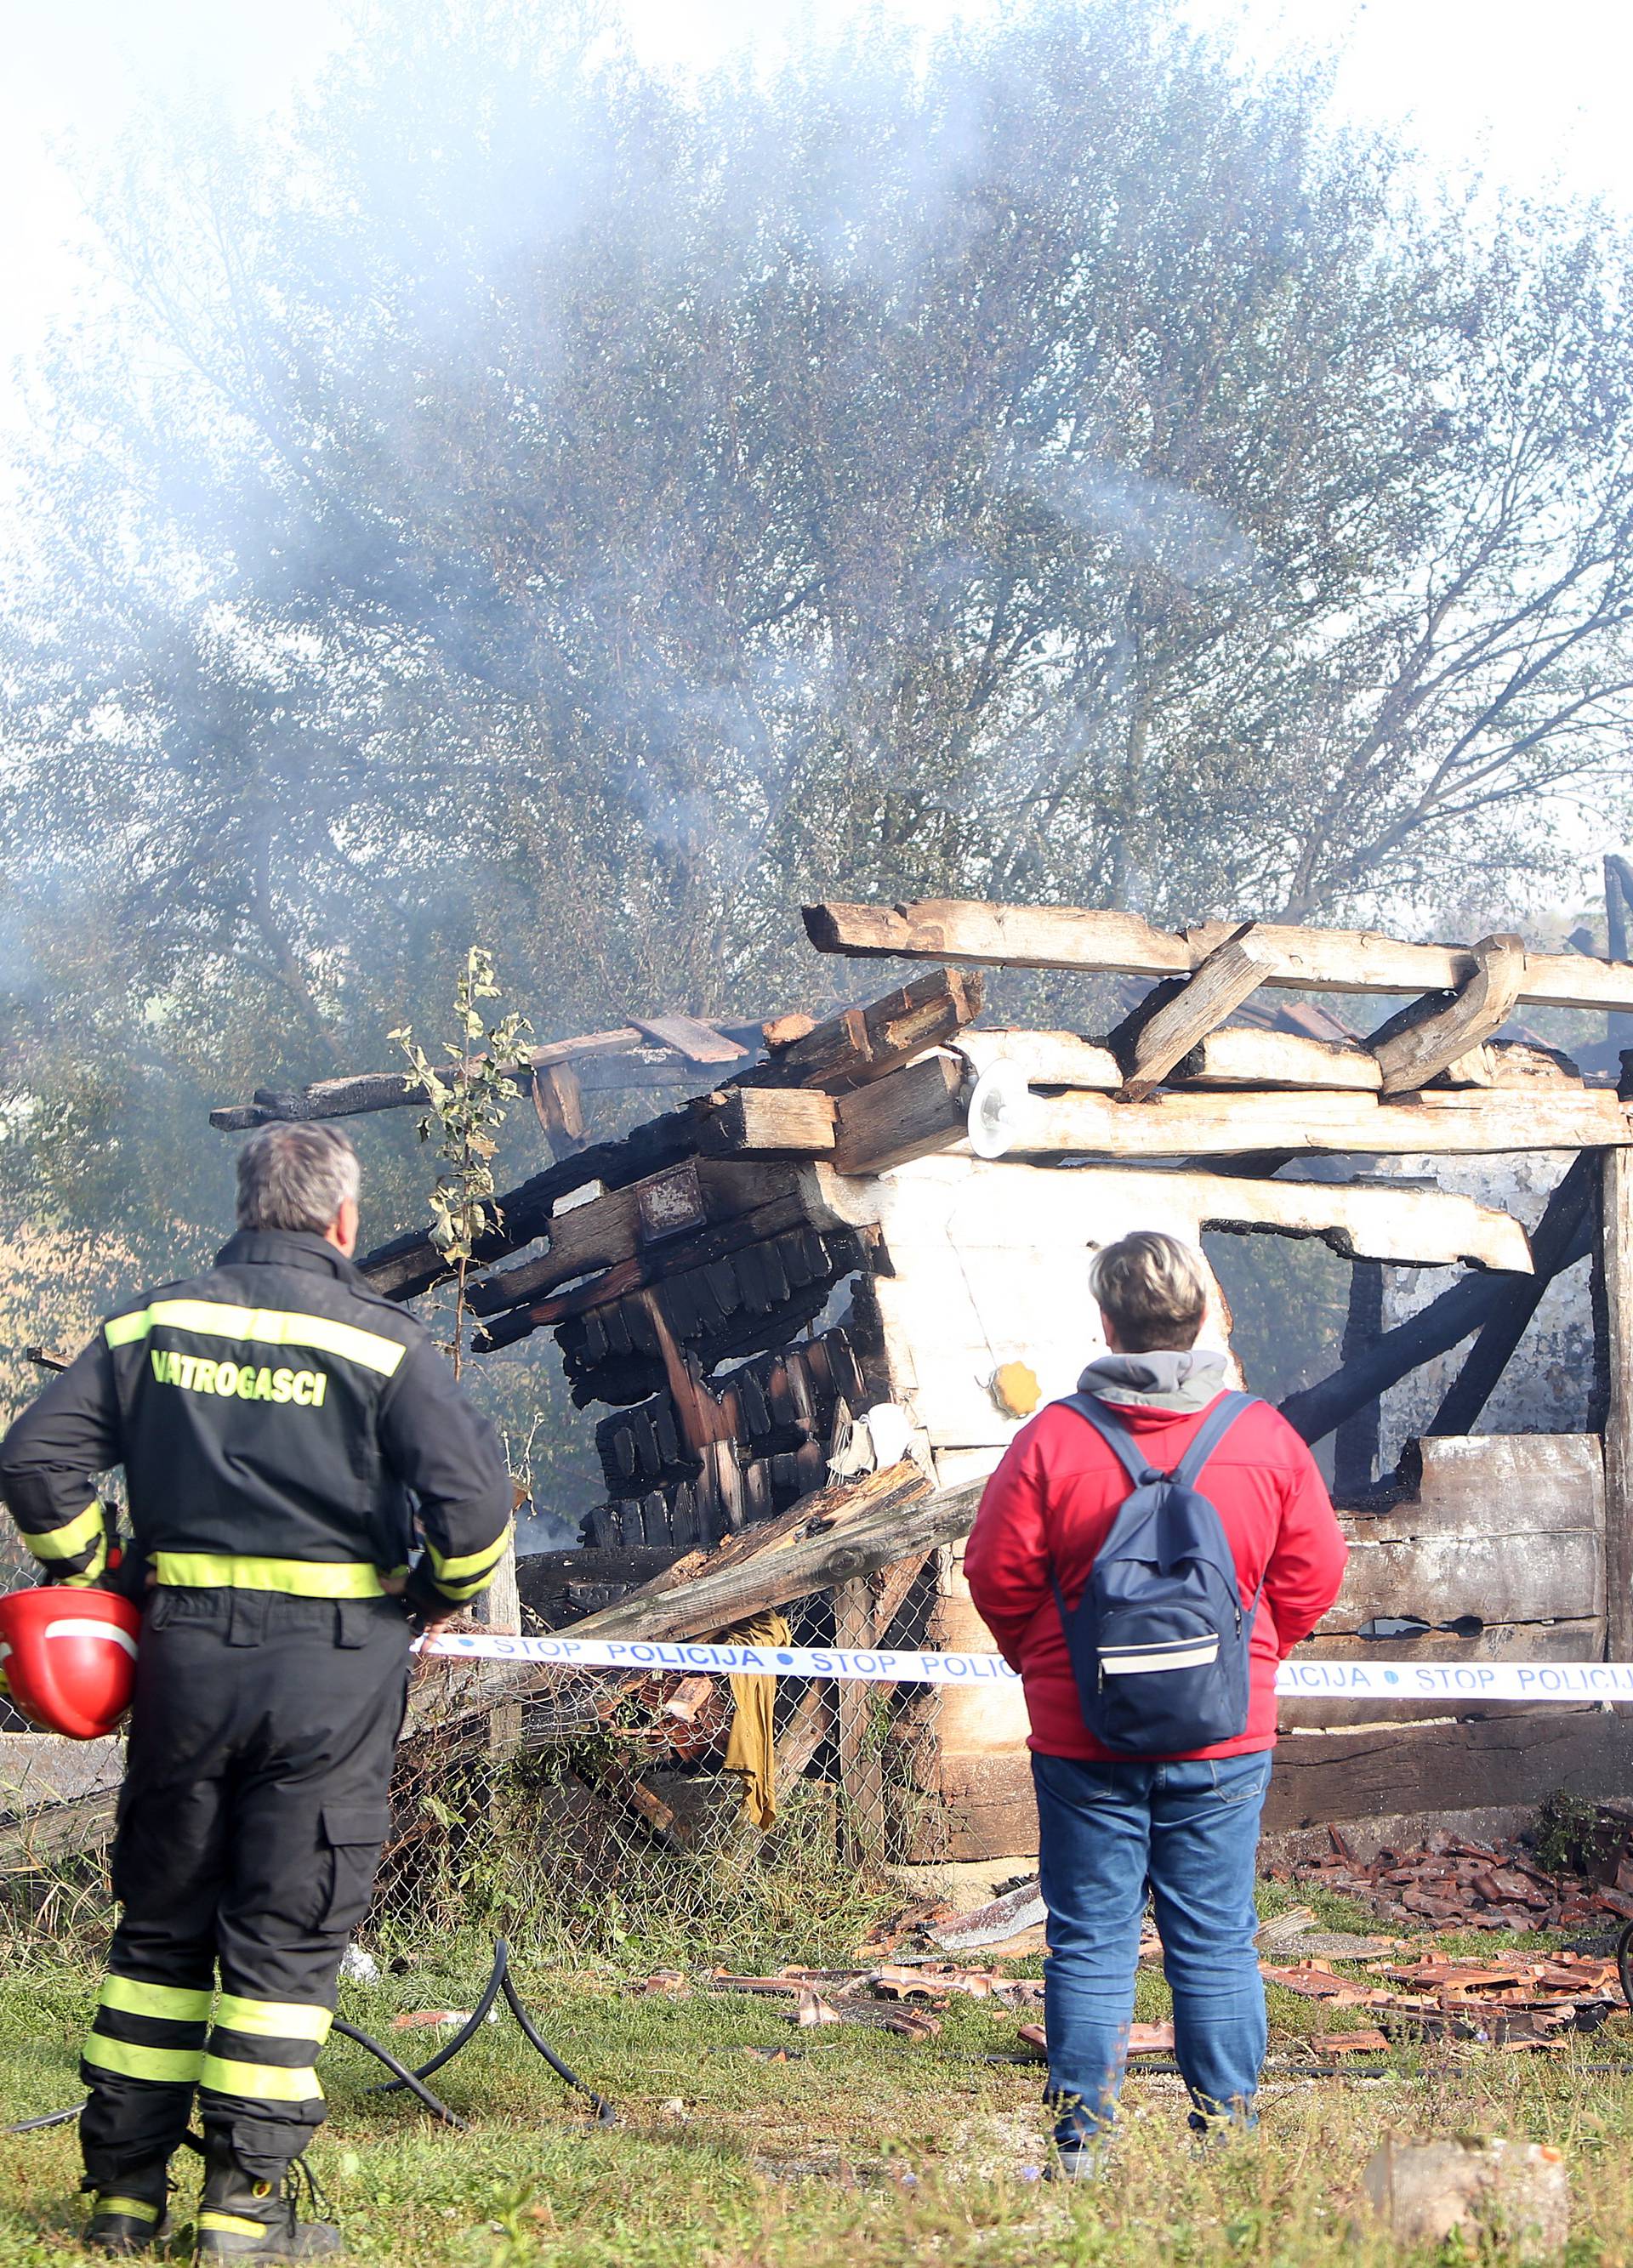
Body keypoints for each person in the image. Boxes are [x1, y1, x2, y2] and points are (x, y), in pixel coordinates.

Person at [0, 1123, 515, 2260]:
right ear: (340, 1219)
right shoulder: (386, 1345)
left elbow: (36, 1457)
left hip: (184, 1667)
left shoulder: (155, 1322)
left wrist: (91, 1576)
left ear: (246, 1206)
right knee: (283, 1940)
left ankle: (123, 2200)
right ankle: (242, 2210)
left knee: (162, 1927)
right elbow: (476, 1513)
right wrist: (433, 1593)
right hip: (332, 1677)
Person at [964, 1230, 1346, 2173]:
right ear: (1203, 1316)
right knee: (1215, 1939)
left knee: (1091, 1939)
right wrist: (1257, 1656)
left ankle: (1080, 2153)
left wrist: (1045, 1666)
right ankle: (1228, 2148)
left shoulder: (1052, 1440)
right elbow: (1317, 1571)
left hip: (1081, 1738)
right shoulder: (1263, 1437)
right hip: (1225, 1738)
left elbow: (995, 1574)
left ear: (1107, 1322)